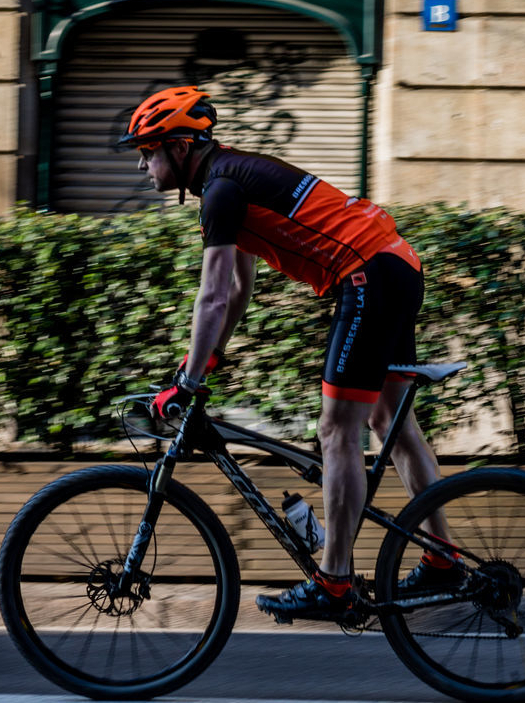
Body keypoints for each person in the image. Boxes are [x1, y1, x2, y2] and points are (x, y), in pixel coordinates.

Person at [121, 85, 458, 623]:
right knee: (389, 420)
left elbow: (209, 295)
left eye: (147, 151)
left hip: (368, 276)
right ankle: (444, 559)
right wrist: (200, 364)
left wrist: (185, 387)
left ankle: (336, 583)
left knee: (337, 432)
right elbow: (235, 292)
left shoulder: (220, 190)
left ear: (181, 147)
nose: (143, 165)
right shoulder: (229, 178)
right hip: (396, 265)